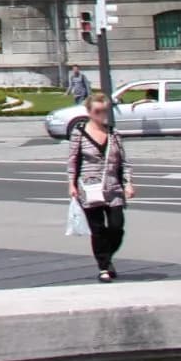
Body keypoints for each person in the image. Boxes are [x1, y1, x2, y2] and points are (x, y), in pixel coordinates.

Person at [68, 90, 136, 281]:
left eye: (104, 111)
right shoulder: (79, 133)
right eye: (97, 111)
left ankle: (106, 256)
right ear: (89, 111)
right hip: (89, 187)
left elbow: (124, 161)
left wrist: (128, 183)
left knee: (117, 227)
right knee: (97, 229)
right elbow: (73, 160)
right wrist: (71, 184)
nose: (101, 115)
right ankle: (104, 267)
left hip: (113, 188)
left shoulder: (114, 133)